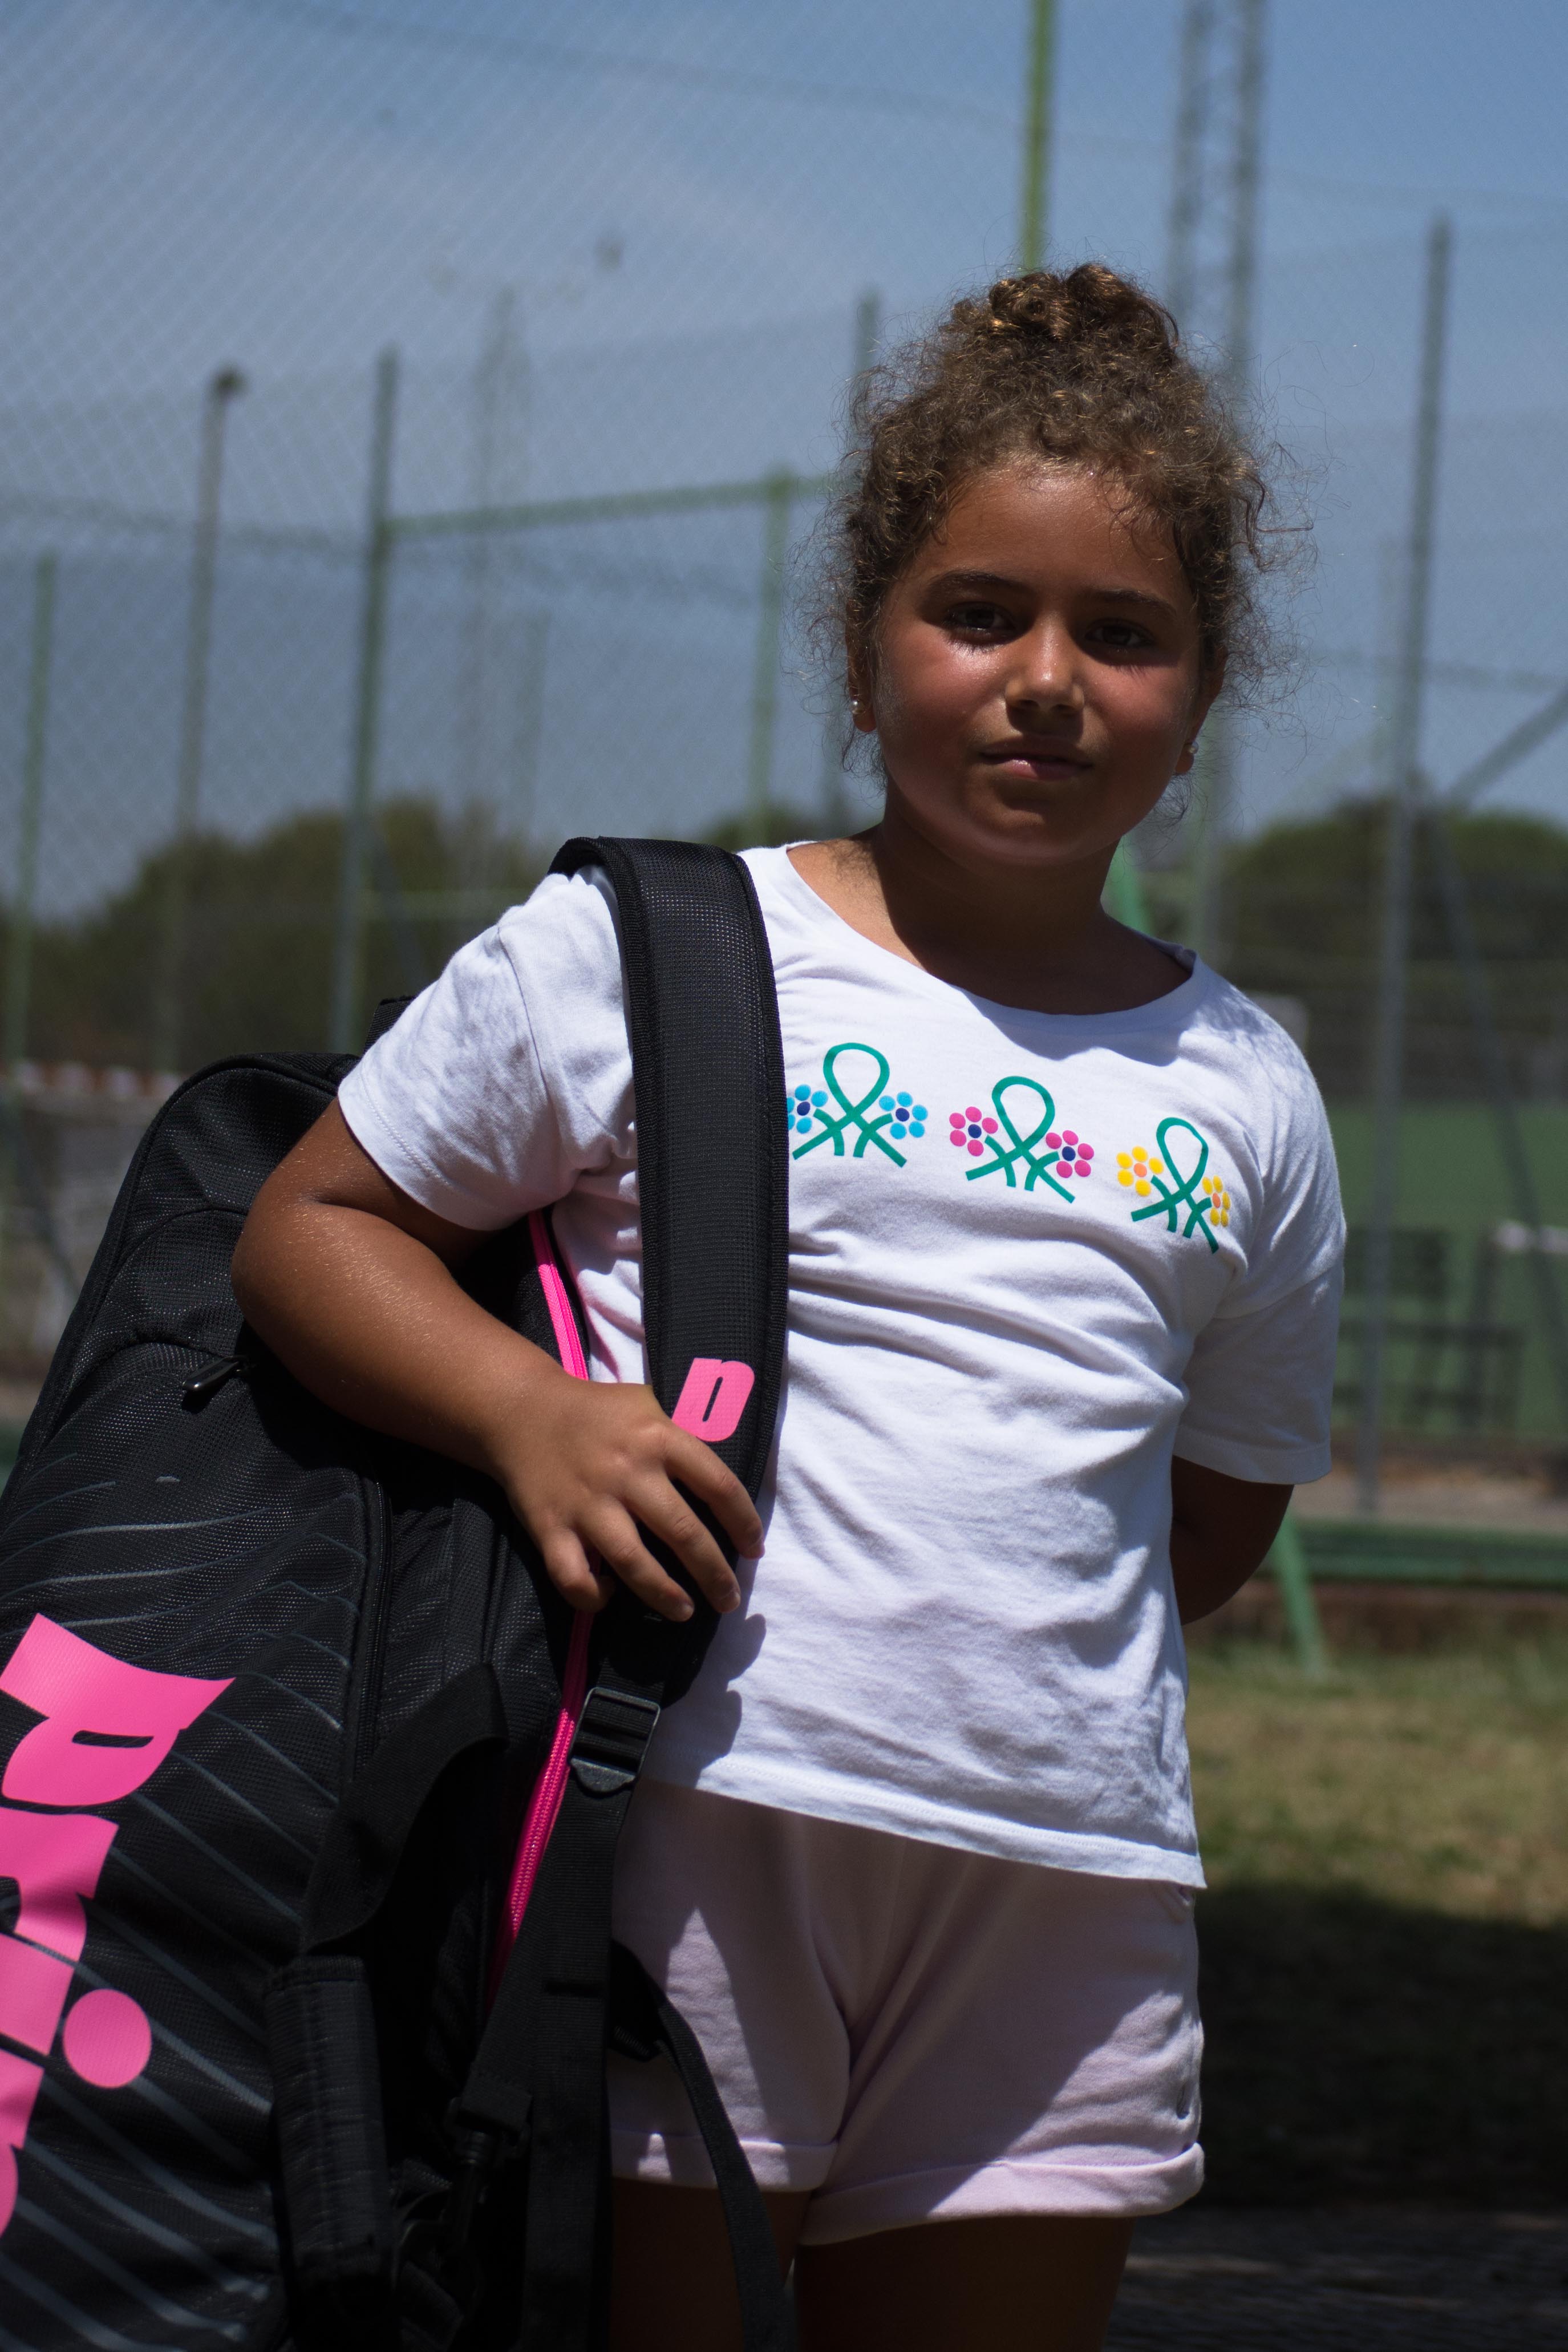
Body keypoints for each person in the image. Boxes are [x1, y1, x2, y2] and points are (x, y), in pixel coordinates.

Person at [232, 263, 1343, 2352]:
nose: (1046, 681)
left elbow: (1208, 1514)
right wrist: (529, 1415)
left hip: (1077, 1893)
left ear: (1202, 697)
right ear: (859, 645)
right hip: (692, 1835)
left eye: (1125, 634)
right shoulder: (640, 950)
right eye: (978, 612)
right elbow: (313, 1228)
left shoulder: (1251, 1088)